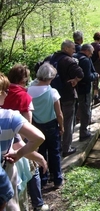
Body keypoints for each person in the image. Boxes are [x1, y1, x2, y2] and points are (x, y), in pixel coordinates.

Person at [1, 64, 49, 211]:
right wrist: (35, 155)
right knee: (32, 173)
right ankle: (38, 203)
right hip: (9, 160)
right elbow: (31, 130)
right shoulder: (20, 102)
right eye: (4, 91)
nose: (6, 93)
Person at [28, 63, 64, 190]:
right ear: (50, 77)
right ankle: (57, 179)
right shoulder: (52, 92)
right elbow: (59, 114)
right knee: (54, 151)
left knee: (41, 152)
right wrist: (61, 127)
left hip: (36, 125)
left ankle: (43, 180)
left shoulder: (29, 90)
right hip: (51, 125)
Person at [44, 40, 84, 157]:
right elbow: (80, 73)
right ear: (66, 49)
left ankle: (55, 146)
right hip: (66, 96)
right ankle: (66, 148)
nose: (74, 51)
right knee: (67, 122)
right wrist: (76, 80)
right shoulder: (68, 60)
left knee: (54, 122)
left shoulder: (49, 58)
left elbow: (38, 69)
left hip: (50, 96)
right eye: (72, 49)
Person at [74, 44, 99, 141]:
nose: (91, 55)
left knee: (75, 110)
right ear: (87, 51)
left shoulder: (74, 57)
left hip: (74, 90)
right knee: (85, 110)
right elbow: (87, 77)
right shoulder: (85, 60)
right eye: (91, 53)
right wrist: (95, 75)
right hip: (84, 90)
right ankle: (84, 133)